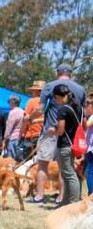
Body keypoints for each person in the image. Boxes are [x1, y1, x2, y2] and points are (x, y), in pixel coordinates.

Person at [33, 64, 85, 204]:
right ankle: (62, 198)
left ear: (58, 73)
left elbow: (41, 109)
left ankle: (39, 196)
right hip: (71, 135)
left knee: (43, 164)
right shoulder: (80, 89)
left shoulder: (49, 86)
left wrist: (29, 118)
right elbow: (83, 114)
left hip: (52, 131)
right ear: (70, 74)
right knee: (65, 167)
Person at [51, 84, 82, 206]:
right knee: (67, 174)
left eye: (55, 99)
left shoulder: (63, 110)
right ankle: (66, 202)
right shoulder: (77, 107)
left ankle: (73, 203)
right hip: (73, 144)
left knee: (69, 174)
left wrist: (51, 131)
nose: (55, 101)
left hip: (64, 145)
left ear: (58, 96)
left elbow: (60, 131)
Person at [21, 80, 45, 160]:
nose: (32, 93)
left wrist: (21, 133)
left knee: (26, 162)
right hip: (44, 137)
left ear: (38, 92)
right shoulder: (49, 102)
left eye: (33, 91)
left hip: (31, 136)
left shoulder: (31, 101)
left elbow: (26, 119)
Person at [2, 95, 25, 160]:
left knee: (11, 159)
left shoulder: (12, 112)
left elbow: (9, 127)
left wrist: (4, 140)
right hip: (21, 137)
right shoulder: (23, 111)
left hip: (13, 138)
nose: (8, 103)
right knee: (18, 159)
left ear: (12, 102)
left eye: (9, 101)